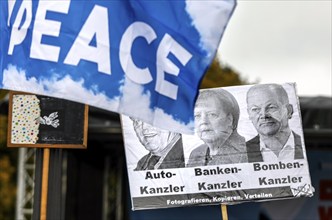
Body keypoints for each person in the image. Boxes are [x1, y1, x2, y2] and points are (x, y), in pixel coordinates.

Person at [187, 89, 247, 166]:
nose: (203, 121)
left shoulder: (247, 151)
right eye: (197, 116)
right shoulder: (195, 153)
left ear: (229, 120)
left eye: (212, 114)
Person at [246, 84, 304, 162]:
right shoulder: (240, 152)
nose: (263, 115)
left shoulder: (307, 146)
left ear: (289, 111)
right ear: (249, 114)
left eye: (271, 107)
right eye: (255, 109)